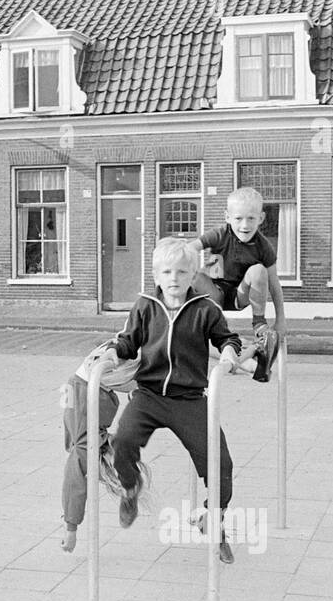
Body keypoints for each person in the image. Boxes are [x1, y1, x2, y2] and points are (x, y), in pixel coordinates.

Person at [101, 238, 242, 563]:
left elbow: (226, 338)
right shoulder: (145, 305)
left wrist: (230, 353)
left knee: (221, 463)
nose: (175, 278)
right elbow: (127, 341)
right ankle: (130, 487)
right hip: (149, 395)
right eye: (167, 272)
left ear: (193, 274)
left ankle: (214, 520)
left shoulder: (205, 309)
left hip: (189, 398)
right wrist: (112, 353)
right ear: (156, 275)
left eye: (182, 271)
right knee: (123, 441)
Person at [185, 187, 286, 382]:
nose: (245, 225)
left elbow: (274, 284)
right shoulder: (219, 234)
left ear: (261, 218)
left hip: (241, 295)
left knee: (259, 270)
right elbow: (190, 247)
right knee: (194, 275)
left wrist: (280, 319)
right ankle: (200, 322)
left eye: (251, 218)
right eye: (238, 218)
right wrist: (192, 264)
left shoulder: (263, 246)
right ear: (228, 217)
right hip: (214, 293)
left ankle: (259, 324)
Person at [59, 340, 140, 552]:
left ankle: (123, 478)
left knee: (79, 453)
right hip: (86, 388)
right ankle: (122, 473)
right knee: (82, 446)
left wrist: (71, 528)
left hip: (84, 388)